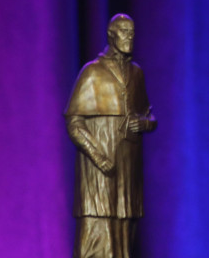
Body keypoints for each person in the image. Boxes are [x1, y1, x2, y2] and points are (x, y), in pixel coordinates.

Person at [65, 14, 157, 258]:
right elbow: (74, 122)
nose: (130, 36)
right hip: (99, 173)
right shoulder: (92, 72)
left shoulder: (137, 74)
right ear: (111, 35)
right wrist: (98, 156)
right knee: (96, 231)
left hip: (128, 170)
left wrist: (144, 125)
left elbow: (150, 115)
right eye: (124, 31)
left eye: (132, 32)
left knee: (125, 231)